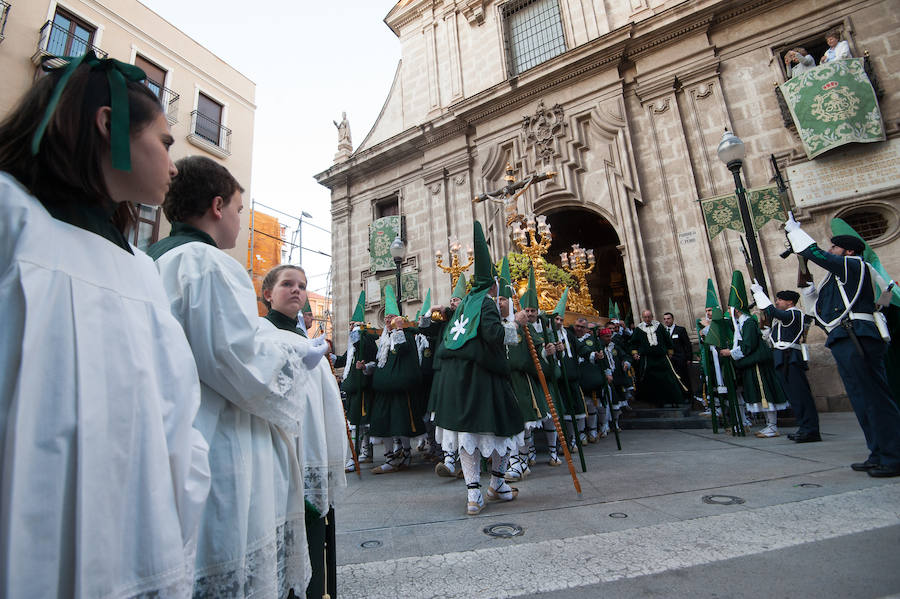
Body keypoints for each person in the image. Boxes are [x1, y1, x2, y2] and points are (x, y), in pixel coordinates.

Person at [0, 51, 210, 598]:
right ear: (109, 125)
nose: (173, 164)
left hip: (132, 542)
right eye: (165, 143)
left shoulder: (141, 270)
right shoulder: (12, 220)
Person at [148, 155, 315, 597]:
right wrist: (294, 364)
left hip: (173, 430)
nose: (241, 221)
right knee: (224, 554)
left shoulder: (151, 258)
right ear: (218, 207)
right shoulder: (208, 264)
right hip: (218, 437)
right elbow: (237, 360)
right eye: (240, 210)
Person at [785, 216, 900, 477]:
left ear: (848, 251)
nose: (830, 252)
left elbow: (815, 254)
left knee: (875, 399)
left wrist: (796, 231)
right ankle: (878, 452)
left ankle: (894, 456)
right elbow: (818, 311)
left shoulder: (855, 265)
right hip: (844, 338)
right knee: (861, 400)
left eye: (834, 248)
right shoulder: (839, 278)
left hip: (858, 336)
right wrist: (810, 291)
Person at [257, 264, 346, 599]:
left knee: (314, 540)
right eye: (287, 284)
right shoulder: (259, 335)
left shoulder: (309, 344)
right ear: (268, 294)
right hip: (281, 454)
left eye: (302, 286)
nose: (296, 290)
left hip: (312, 453)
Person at [430, 221, 525, 515]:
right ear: (493, 284)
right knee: (501, 429)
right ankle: (497, 484)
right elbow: (495, 337)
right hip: (483, 378)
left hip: (455, 380)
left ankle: (474, 495)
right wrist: (516, 324)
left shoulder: (463, 304)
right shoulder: (485, 303)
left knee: (466, 435)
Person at [718, 272, 788, 438]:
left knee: (765, 393)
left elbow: (748, 345)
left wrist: (730, 353)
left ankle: (772, 426)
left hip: (758, 364)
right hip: (751, 364)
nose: (728, 311)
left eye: (729, 308)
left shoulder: (748, 322)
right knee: (758, 393)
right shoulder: (742, 324)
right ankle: (769, 425)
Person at [751, 286, 821, 442]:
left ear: (790, 302)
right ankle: (805, 428)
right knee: (794, 396)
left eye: (780, 299)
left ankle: (811, 430)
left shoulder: (793, 314)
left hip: (790, 357)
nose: (777, 302)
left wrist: (759, 293)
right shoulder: (782, 319)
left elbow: (772, 311)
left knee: (800, 395)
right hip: (782, 357)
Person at [369, 285, 426, 474]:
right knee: (382, 423)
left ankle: (406, 454)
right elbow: (380, 361)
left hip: (401, 390)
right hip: (383, 391)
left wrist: (399, 329)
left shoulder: (406, 335)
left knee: (401, 422)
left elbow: (403, 351)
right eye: (386, 318)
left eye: (391, 317)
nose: (388, 320)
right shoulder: (384, 340)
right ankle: (390, 458)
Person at [335, 291, 378, 471]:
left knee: (359, 423)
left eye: (354, 325)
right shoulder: (353, 345)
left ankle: (358, 455)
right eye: (350, 325)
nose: (351, 328)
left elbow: (373, 362)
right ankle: (363, 452)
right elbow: (343, 360)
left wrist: (364, 367)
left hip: (363, 388)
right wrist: (329, 356)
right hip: (353, 388)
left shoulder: (366, 341)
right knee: (356, 423)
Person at [629, 310, 685, 406]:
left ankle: (675, 400)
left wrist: (670, 351)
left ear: (652, 316)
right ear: (642, 318)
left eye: (649, 317)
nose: (647, 319)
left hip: (662, 357)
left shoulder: (659, 326)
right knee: (652, 381)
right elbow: (633, 343)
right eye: (645, 317)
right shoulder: (639, 329)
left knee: (669, 378)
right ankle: (657, 402)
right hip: (648, 359)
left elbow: (667, 339)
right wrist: (635, 353)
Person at [662, 311, 693, 403]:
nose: (666, 321)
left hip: (680, 359)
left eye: (668, 318)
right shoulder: (663, 331)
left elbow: (687, 344)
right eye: (665, 319)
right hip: (670, 360)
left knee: (683, 377)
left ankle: (688, 396)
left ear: (672, 319)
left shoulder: (680, 330)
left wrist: (688, 358)